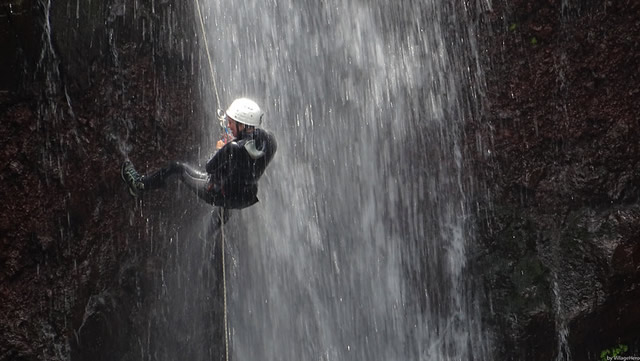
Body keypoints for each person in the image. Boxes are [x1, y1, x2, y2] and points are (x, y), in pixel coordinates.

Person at [121, 98, 277, 220]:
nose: (228, 125)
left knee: (177, 168)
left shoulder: (233, 148)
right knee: (234, 180)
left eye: (230, 122)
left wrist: (222, 147)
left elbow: (208, 167)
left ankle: (139, 185)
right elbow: (246, 165)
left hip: (221, 194)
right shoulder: (270, 141)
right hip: (246, 196)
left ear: (242, 125)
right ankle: (216, 225)